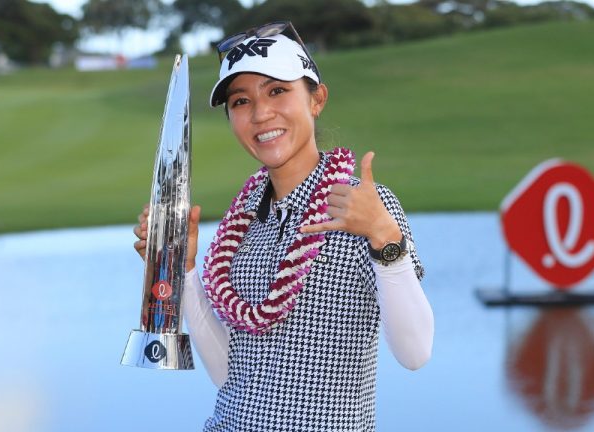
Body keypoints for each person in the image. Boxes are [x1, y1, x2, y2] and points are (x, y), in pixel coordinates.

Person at [133, 21, 434, 432]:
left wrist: (384, 237)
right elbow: (232, 378)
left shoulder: (363, 207)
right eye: (240, 101)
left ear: (316, 99)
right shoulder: (243, 228)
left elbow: (415, 353)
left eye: (277, 91)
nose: (260, 113)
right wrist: (184, 270)